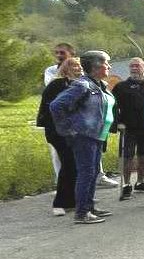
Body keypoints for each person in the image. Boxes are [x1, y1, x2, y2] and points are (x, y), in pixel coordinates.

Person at [49, 50, 116, 225]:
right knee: (86, 173)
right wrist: (69, 130)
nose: (109, 66)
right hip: (84, 136)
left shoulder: (99, 84)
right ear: (95, 66)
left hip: (96, 136)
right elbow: (56, 105)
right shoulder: (82, 85)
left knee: (93, 173)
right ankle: (82, 212)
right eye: (106, 63)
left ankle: (89, 206)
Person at [37, 57, 82, 216]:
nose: (77, 68)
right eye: (74, 66)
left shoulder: (78, 84)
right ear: (65, 68)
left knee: (74, 165)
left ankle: (72, 200)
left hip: (73, 131)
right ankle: (59, 203)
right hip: (58, 131)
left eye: (78, 65)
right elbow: (51, 108)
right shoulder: (57, 84)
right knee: (68, 164)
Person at [111, 57, 144, 200]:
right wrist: (117, 123)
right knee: (127, 156)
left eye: (137, 66)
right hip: (128, 127)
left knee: (143, 155)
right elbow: (112, 107)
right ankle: (126, 185)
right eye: (132, 66)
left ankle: (140, 182)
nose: (134, 68)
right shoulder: (121, 86)